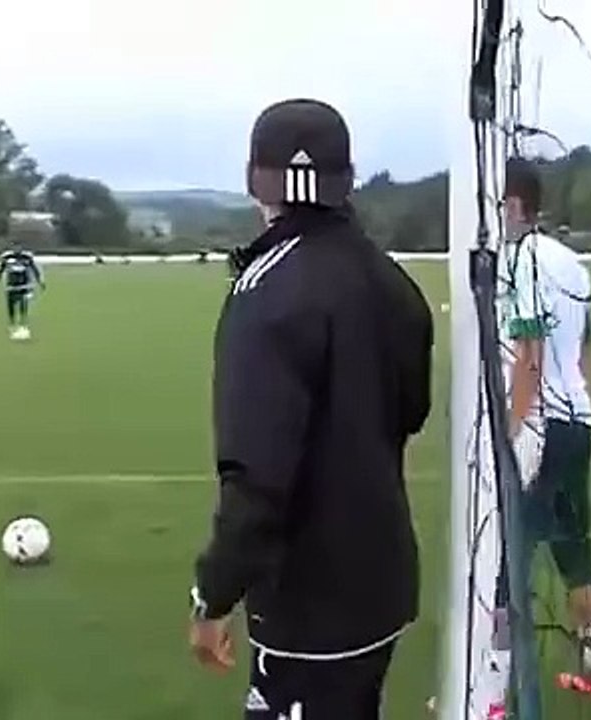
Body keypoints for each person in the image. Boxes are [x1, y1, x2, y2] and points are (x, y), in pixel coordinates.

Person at [188, 98, 434, 719]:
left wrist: (213, 596)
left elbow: (256, 478)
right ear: (345, 181)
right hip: (383, 582)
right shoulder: (395, 285)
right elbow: (411, 413)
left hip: (308, 604)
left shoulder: (264, 290)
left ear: (256, 182)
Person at [500, 157, 591, 703]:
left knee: (504, 562)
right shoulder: (573, 263)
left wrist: (511, 429)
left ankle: (490, 690)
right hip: (577, 423)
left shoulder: (521, 260)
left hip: (540, 427)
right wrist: (583, 403)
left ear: (514, 205)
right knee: (576, 555)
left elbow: (530, 353)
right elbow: (587, 348)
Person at [0, 243, 44, 338]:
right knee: (11, 306)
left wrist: (40, 281)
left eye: (19, 248)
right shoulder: (6, 257)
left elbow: (34, 269)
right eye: (15, 248)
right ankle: (12, 325)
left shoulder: (27, 257)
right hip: (11, 286)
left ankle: (23, 325)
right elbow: (1, 268)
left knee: (23, 305)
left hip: (24, 286)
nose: (17, 250)